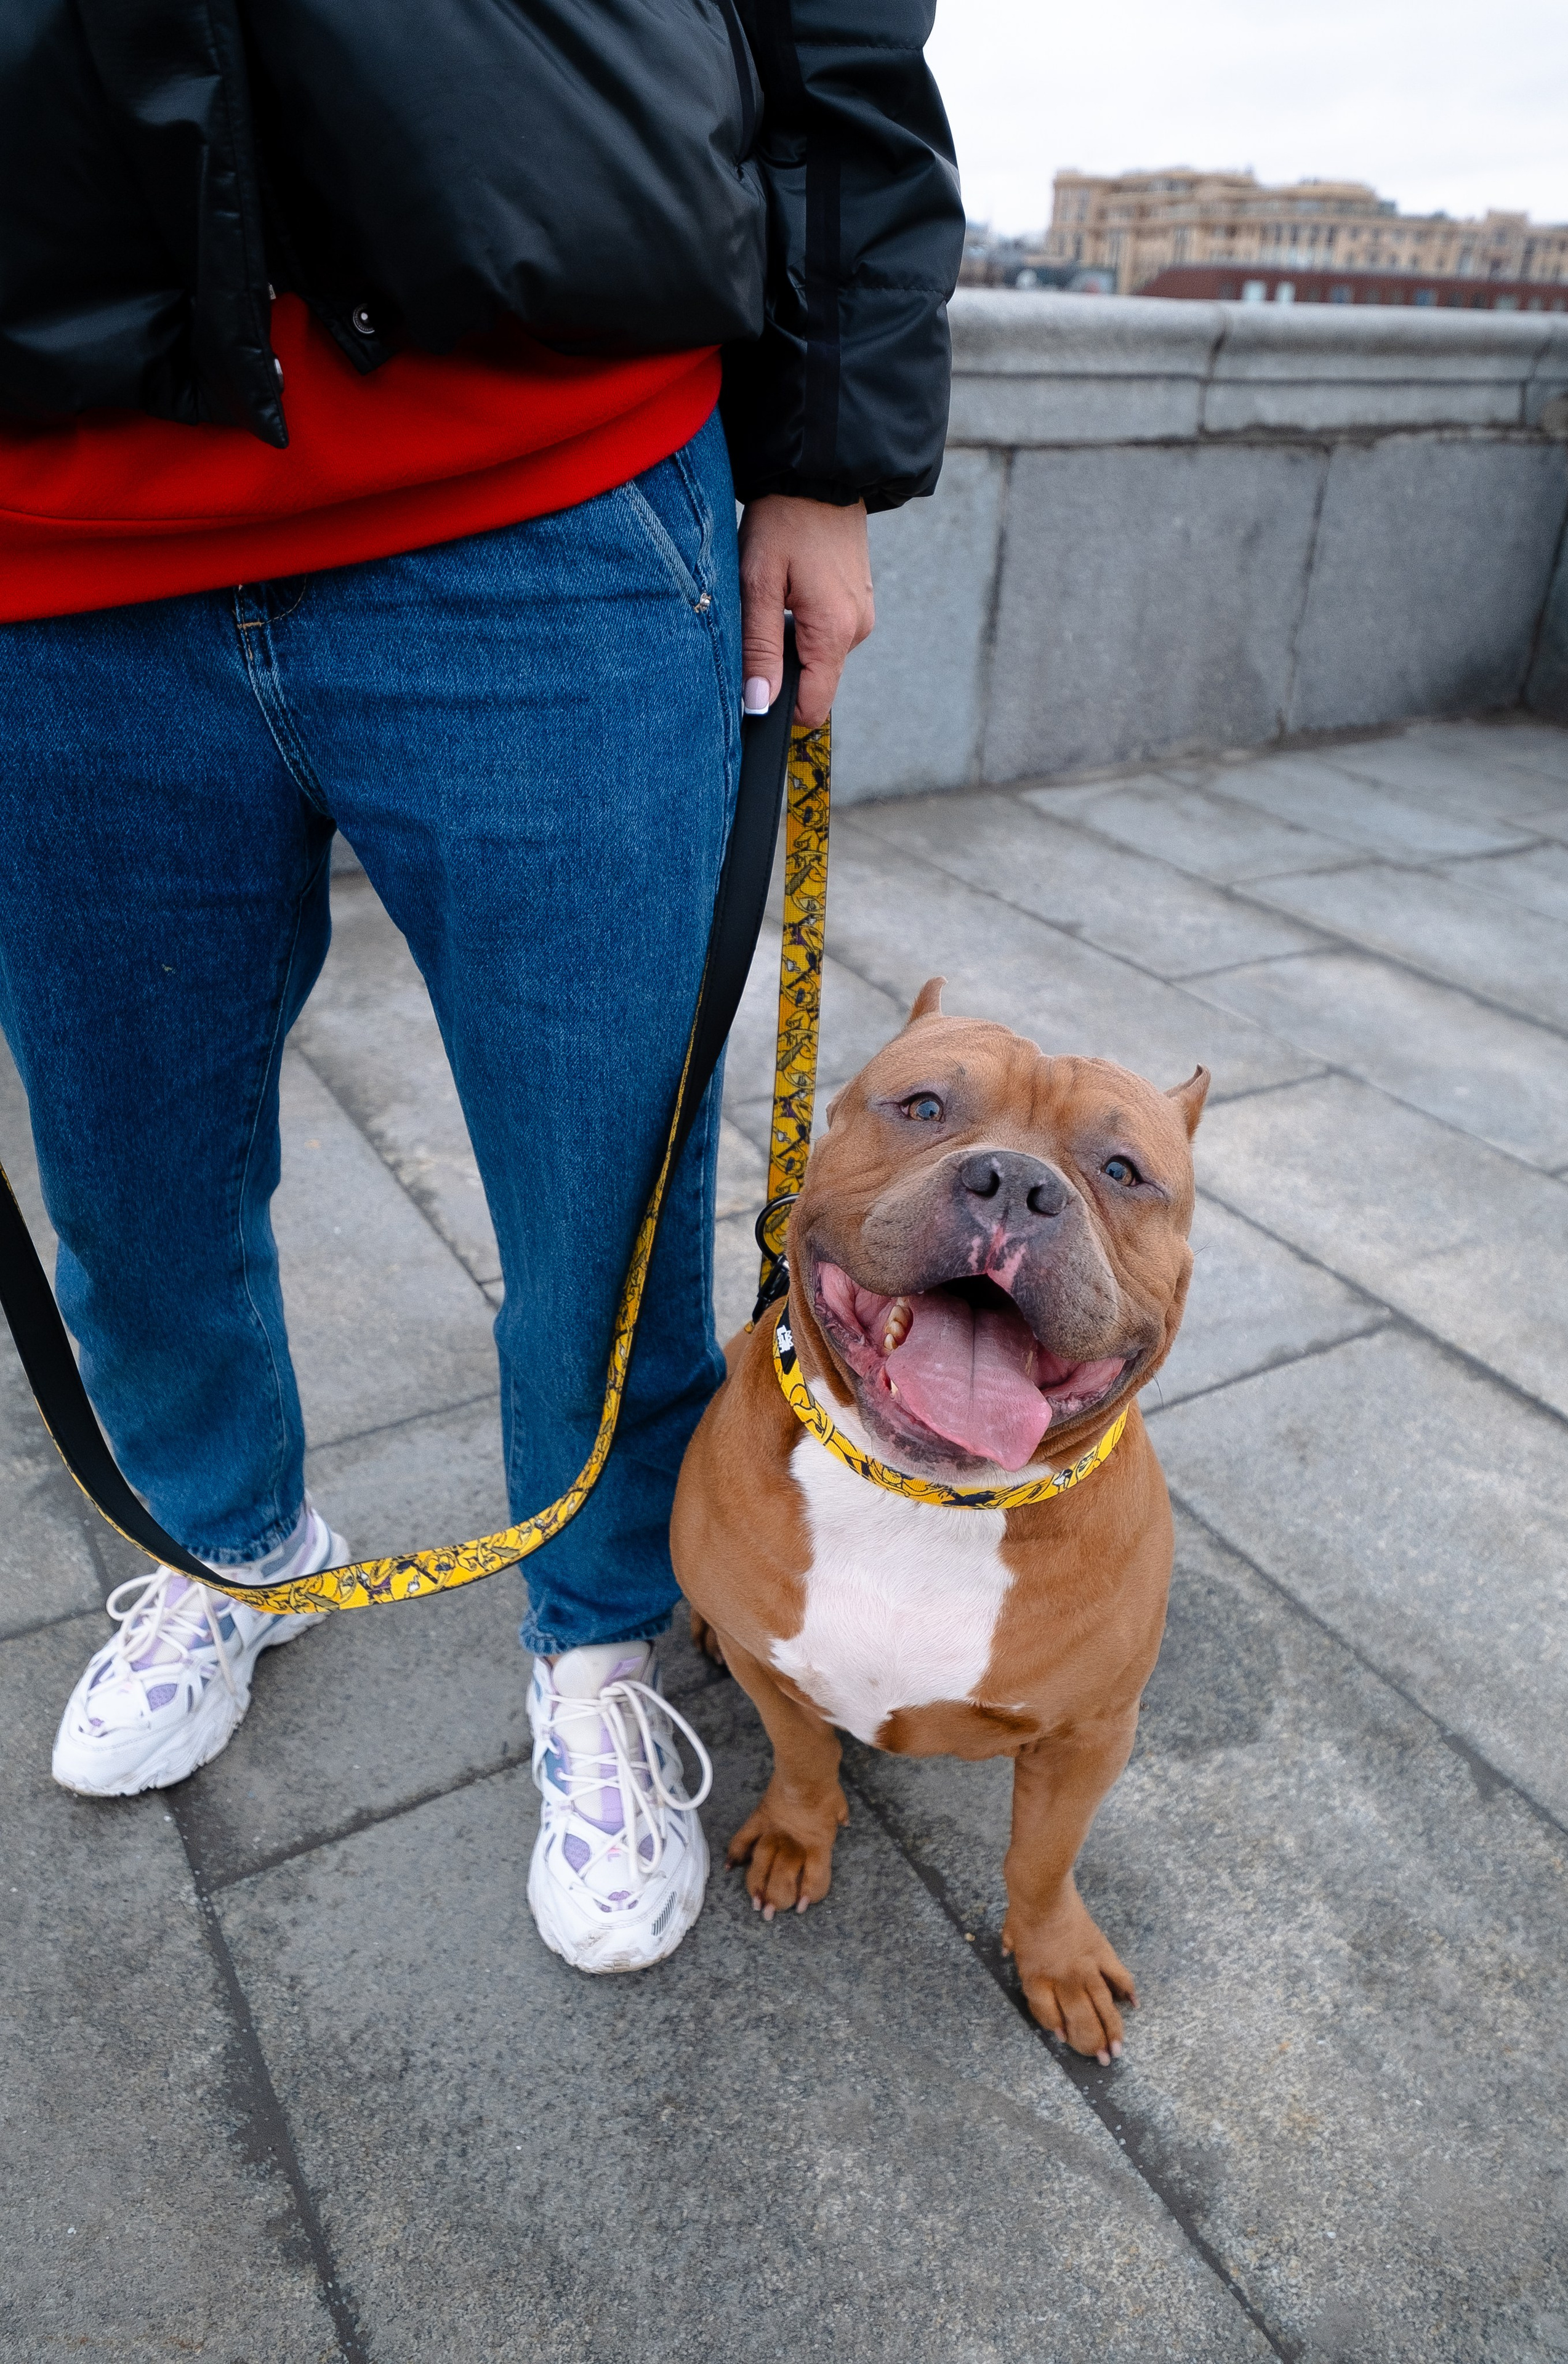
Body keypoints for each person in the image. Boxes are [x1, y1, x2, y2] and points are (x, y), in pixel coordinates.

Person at [0, 0, 960, 1973]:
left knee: (601, 1196)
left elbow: (838, 21)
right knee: (125, 1175)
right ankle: (228, 1545)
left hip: (551, 488)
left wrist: (830, 452)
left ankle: (598, 1625)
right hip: (52, 542)